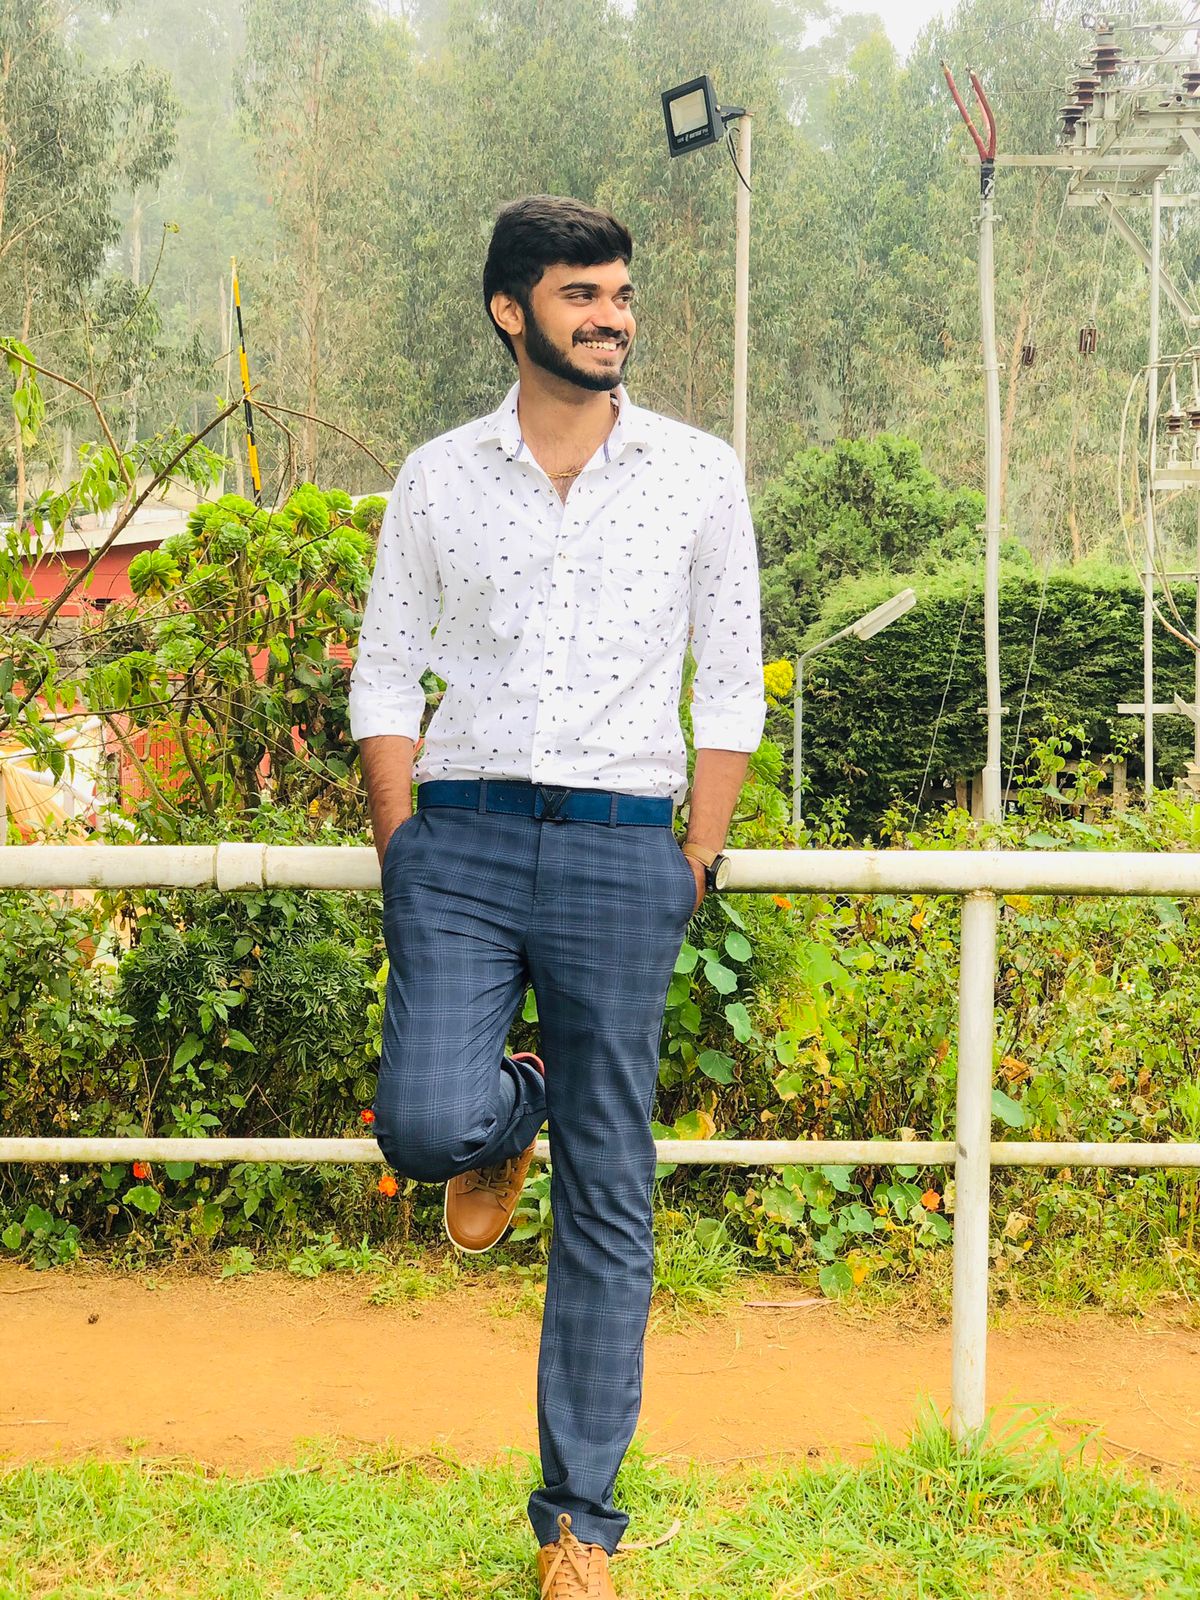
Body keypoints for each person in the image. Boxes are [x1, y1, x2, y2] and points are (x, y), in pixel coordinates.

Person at [348, 193, 765, 1599]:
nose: (612, 318)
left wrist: (694, 857)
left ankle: (578, 1529)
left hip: (621, 849)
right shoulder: (437, 478)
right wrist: (404, 841)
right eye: (582, 295)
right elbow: (386, 670)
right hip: (460, 842)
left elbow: (732, 680)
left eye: (621, 294)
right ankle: (505, 1109)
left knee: (610, 1189)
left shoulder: (698, 474)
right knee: (422, 1125)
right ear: (510, 310)